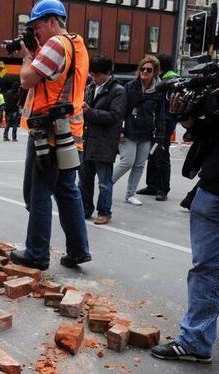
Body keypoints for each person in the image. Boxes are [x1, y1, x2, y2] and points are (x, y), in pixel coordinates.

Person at [9, 0, 91, 270]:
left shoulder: (56, 44)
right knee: (67, 191)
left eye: (37, 27)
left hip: (50, 133)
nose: (35, 33)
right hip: (71, 132)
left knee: (39, 192)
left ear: (53, 22)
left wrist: (27, 57)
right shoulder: (77, 45)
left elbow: (27, 79)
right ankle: (78, 250)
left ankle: (37, 252)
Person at [150, 84, 219, 364]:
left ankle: (196, 339)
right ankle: (196, 340)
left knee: (207, 269)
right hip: (213, 188)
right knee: (206, 269)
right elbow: (207, 134)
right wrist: (188, 116)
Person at [79, 55, 127, 225]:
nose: (95, 78)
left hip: (104, 142)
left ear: (108, 73)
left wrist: (89, 112)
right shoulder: (90, 87)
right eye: (92, 74)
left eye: (98, 75)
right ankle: (85, 209)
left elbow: (115, 116)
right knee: (84, 179)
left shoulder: (118, 90)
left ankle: (104, 212)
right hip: (86, 141)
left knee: (104, 182)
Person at [112, 55, 165, 206]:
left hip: (146, 133)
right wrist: (120, 130)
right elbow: (121, 110)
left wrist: (160, 136)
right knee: (127, 162)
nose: (145, 71)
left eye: (149, 69)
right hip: (128, 131)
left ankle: (130, 194)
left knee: (140, 165)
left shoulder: (158, 91)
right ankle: (107, 185)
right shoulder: (129, 87)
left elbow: (160, 115)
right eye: (142, 68)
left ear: (155, 72)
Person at [137, 53, 179, 201]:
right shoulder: (168, 80)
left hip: (164, 124)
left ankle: (162, 188)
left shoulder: (168, 82)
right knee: (153, 154)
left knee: (161, 155)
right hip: (162, 123)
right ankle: (153, 185)